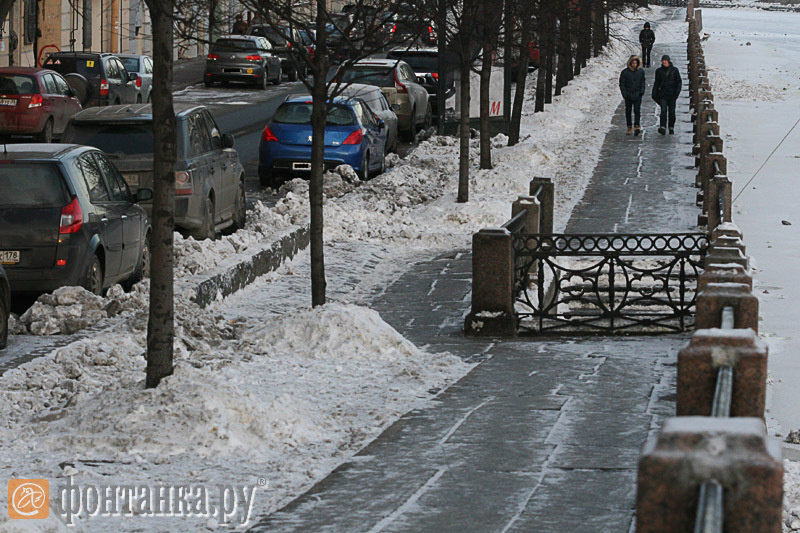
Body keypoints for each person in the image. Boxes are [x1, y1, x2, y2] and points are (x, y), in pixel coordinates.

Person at [652, 54, 682, 135]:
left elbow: (679, 82)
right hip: (663, 95)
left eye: (665, 60)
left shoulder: (674, 70)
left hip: (672, 95)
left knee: (672, 112)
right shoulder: (659, 71)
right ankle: (663, 126)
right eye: (663, 60)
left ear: (668, 61)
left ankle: (671, 126)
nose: (664, 62)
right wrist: (654, 93)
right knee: (663, 111)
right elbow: (657, 83)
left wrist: (677, 92)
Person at [619, 55, 646, 136]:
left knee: (637, 110)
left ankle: (637, 125)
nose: (634, 65)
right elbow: (622, 84)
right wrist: (624, 93)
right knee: (628, 111)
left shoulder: (640, 71)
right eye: (633, 63)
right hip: (628, 94)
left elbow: (643, 82)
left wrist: (642, 91)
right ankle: (629, 126)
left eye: (636, 63)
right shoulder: (625, 72)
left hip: (637, 94)